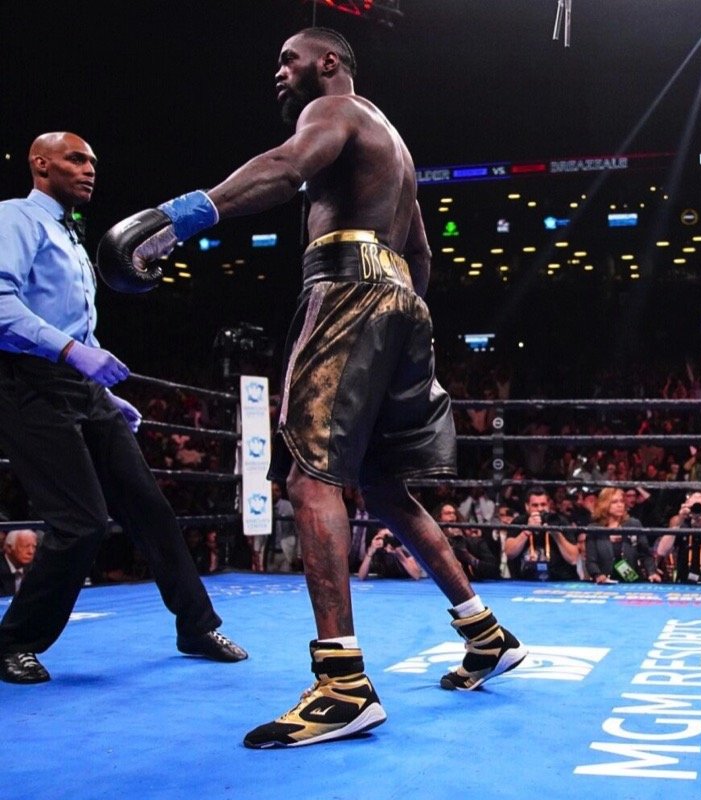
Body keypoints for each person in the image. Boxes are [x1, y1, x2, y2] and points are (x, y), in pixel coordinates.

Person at [99, 29, 525, 747]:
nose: (279, 72)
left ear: (329, 63)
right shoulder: (395, 148)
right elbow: (419, 252)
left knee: (307, 474)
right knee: (386, 489)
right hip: (401, 301)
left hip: (347, 288)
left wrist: (179, 217)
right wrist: (397, 323)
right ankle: (485, 633)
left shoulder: (336, 113)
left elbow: (287, 166)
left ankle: (342, 685)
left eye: (288, 59)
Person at [0, 132, 247, 685]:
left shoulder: (69, 236)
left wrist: (101, 389)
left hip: (77, 387)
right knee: (81, 522)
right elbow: (0, 304)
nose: (89, 169)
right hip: (26, 386)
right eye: (75, 159)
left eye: (93, 161)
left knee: (150, 508)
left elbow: (70, 326)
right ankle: (13, 641)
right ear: (40, 164)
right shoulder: (15, 219)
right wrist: (74, 353)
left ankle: (196, 626)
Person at [583, 487, 657, 583]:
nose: (620, 505)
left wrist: (652, 572)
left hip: (632, 580)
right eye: (614, 502)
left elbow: (646, 554)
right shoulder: (594, 529)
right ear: (604, 504)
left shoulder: (633, 524)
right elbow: (591, 561)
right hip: (605, 581)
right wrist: (598, 575)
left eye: (622, 501)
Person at [0, 529, 39, 597]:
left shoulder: (37, 567)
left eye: (34, 547)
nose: (31, 552)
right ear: (9, 548)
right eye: (26, 546)